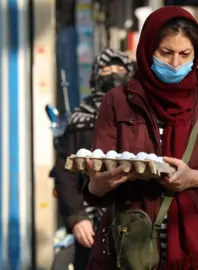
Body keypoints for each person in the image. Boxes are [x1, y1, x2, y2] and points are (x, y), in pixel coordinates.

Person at [82, 7, 198, 270]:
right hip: (133, 252)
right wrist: (98, 185)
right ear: (148, 48)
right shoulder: (118, 101)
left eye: (184, 54)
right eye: (166, 53)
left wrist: (197, 178)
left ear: (196, 53)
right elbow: (99, 178)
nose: (176, 63)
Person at [50, 48, 135, 270]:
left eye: (120, 69)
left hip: (136, 223)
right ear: (96, 75)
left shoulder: (143, 115)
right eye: (107, 70)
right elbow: (64, 172)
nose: (114, 74)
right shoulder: (80, 119)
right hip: (91, 224)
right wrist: (77, 217)